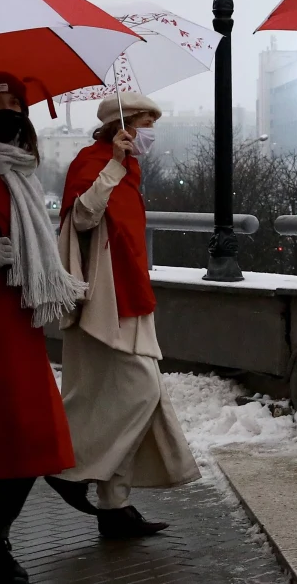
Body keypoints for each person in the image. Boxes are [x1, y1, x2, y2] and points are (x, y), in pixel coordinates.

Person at [45, 92, 200, 540]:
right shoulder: (94, 161)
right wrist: (112, 165)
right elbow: (82, 217)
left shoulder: (129, 169)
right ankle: (65, 466)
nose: (151, 132)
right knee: (137, 392)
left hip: (129, 296)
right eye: (146, 123)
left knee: (121, 398)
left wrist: (119, 165)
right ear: (123, 125)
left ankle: (114, 507)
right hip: (103, 301)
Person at [0, 72, 83, 583]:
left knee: (34, 445)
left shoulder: (21, 169)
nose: (7, 111)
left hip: (18, 322)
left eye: (15, 103)